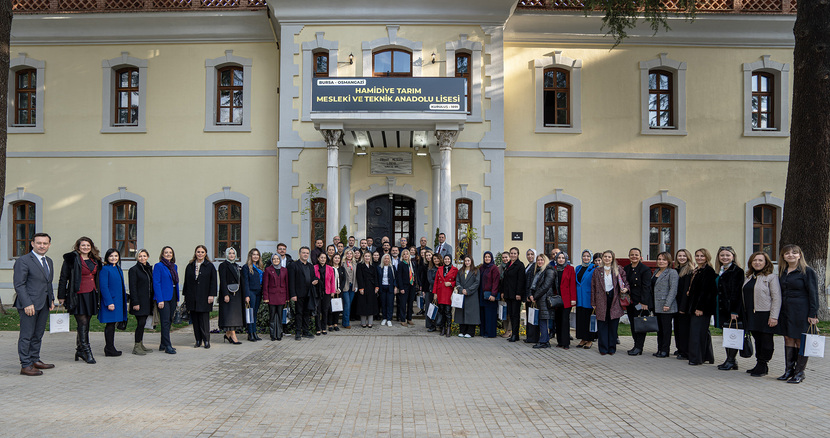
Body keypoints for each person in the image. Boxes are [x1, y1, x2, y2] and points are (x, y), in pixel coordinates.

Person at [776, 244, 819, 384]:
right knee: (788, 338)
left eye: (794, 253)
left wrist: (813, 314)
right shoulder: (783, 271)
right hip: (786, 310)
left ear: (800, 255)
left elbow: (814, 294)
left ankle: (800, 372)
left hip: (802, 310)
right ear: (783, 256)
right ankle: (789, 370)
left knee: (800, 340)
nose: (791, 255)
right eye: (787, 253)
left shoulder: (807, 271)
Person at [14, 232, 55, 376]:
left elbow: (48, 282)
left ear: (49, 245)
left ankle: (34, 359)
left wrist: (51, 299)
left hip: (43, 303)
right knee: (27, 335)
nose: (42, 246)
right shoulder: (24, 260)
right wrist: (27, 303)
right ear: (32, 244)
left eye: (45, 243)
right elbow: (19, 284)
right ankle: (25, 365)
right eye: (39, 243)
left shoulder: (48, 261)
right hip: (29, 305)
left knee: (38, 334)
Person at [59, 236, 103, 364]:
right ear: (78, 246)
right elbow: (63, 278)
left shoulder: (95, 260)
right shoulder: (71, 259)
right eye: (83, 245)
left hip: (91, 295)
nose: (85, 247)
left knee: (86, 323)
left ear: (91, 247)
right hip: (77, 295)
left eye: (88, 245)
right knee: (82, 323)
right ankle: (87, 351)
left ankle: (79, 349)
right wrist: (61, 296)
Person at [741, 251, 781, 377]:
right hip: (752, 314)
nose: (757, 263)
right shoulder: (749, 277)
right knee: (757, 339)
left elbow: (777, 298)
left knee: (766, 341)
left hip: (765, 314)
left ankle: (764, 364)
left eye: (760, 260)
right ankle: (759, 363)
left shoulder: (771, 277)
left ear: (766, 262)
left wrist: (773, 316)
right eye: (754, 260)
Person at [591, 250, 628, 355]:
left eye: (609, 257)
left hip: (614, 299)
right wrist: (593, 302)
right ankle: (603, 348)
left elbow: (625, 283)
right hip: (601, 299)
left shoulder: (618, 270)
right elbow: (593, 287)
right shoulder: (597, 271)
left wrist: (625, 289)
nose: (607, 258)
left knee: (613, 324)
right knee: (602, 324)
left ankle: (612, 348)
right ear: (602, 258)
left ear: (612, 259)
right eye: (605, 257)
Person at [182, 245, 217, 349]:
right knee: (195, 320)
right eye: (198, 252)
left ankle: (206, 340)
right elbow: (186, 282)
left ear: (205, 253)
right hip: (192, 297)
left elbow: (213, 282)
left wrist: (211, 295)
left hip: (205, 297)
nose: (200, 254)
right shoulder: (190, 266)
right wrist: (185, 296)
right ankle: (198, 340)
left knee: (204, 320)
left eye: (202, 252)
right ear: (195, 253)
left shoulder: (210, 266)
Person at [686, 249, 716, 366]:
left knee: (696, 333)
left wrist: (700, 308)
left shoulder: (708, 271)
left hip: (701, 307)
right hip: (694, 306)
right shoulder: (697, 270)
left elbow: (707, 292)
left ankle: (696, 358)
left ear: (706, 257)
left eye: (702, 256)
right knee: (703, 332)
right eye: (697, 256)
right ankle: (707, 356)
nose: (699, 258)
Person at [716, 246, 743, 371]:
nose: (724, 257)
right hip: (722, 308)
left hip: (731, 309)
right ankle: (731, 359)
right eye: (722, 255)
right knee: (727, 334)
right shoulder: (721, 269)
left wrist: (734, 311)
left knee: (732, 334)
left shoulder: (737, 271)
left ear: (733, 256)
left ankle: (731, 360)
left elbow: (736, 292)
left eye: (727, 255)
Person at [98, 248, 128, 357]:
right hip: (110, 301)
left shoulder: (118, 269)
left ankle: (110, 347)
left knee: (113, 324)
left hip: (118, 301)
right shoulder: (105, 269)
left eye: (115, 256)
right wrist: (109, 302)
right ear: (107, 257)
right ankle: (109, 348)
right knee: (110, 325)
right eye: (111, 256)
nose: (113, 258)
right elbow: (104, 287)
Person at [152, 245, 179, 354]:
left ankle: (163, 343)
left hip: (172, 295)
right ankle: (168, 345)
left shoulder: (174, 266)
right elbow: (156, 283)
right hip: (163, 296)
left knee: (169, 319)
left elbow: (175, 283)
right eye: (166, 252)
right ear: (162, 254)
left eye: (170, 253)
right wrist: (160, 299)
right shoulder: (158, 266)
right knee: (165, 321)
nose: (168, 254)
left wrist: (177, 297)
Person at [652, 252, 679, 358]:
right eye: (659, 259)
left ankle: (665, 350)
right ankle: (659, 349)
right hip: (656, 305)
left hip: (666, 306)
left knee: (666, 330)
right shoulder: (656, 271)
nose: (661, 261)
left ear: (668, 261)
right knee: (659, 329)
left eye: (664, 259)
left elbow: (673, 289)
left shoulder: (672, 272)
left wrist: (668, 304)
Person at [128, 249, 154, 355]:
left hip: (148, 301)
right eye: (140, 256)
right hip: (139, 302)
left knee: (143, 324)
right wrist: (135, 302)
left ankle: (141, 344)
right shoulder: (133, 270)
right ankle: (136, 346)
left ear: (147, 256)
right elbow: (132, 287)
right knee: (141, 323)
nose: (142, 258)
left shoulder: (149, 269)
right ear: (137, 258)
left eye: (144, 256)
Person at [218, 247, 245, 345]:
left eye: (233, 253)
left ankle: (228, 334)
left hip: (237, 294)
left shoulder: (237, 266)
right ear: (226, 254)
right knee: (229, 315)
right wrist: (225, 294)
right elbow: (223, 280)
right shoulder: (223, 265)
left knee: (234, 315)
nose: (232, 255)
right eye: (229, 253)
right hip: (228, 294)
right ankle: (233, 336)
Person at [673, 249, 695, 360]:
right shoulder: (677, 269)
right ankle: (680, 348)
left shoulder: (689, 271)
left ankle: (685, 351)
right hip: (676, 304)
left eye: (684, 256)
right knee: (677, 328)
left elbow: (687, 291)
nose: (681, 258)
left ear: (688, 257)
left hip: (683, 305)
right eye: (679, 256)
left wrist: (683, 307)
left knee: (683, 329)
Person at [528, 254, 554, 348]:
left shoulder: (549, 270)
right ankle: (544, 340)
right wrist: (530, 294)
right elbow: (533, 285)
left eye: (542, 260)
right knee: (541, 320)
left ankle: (544, 341)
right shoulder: (538, 272)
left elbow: (545, 286)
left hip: (544, 299)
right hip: (539, 299)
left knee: (543, 320)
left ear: (545, 261)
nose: (539, 262)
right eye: (538, 260)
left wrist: (535, 296)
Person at [552, 252, 576, 349]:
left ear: (566, 259)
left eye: (563, 258)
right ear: (556, 259)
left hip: (567, 299)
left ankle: (566, 342)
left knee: (565, 320)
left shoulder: (570, 269)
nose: (561, 259)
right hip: (556, 299)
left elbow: (572, 285)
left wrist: (573, 299)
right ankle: (560, 341)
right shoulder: (553, 269)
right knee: (557, 320)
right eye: (559, 258)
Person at [262, 253, 289, 340]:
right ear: (272, 260)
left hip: (282, 296)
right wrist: (265, 297)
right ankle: (273, 334)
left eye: (277, 259)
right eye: (274, 259)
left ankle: (279, 333)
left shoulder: (284, 270)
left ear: (280, 260)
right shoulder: (268, 270)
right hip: (272, 296)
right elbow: (265, 285)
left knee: (280, 316)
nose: (276, 260)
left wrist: (287, 297)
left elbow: (287, 284)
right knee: (272, 316)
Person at [574, 250, 596, 349]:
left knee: (588, 319)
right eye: (584, 256)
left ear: (591, 257)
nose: (586, 258)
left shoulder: (594, 268)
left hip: (588, 298)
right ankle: (582, 338)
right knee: (580, 319)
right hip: (579, 298)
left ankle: (590, 340)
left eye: (588, 256)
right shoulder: (578, 268)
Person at [454, 255, 481, 337]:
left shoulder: (476, 271)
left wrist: (468, 290)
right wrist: (461, 289)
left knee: (471, 313)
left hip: (471, 295)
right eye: (465, 261)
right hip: (462, 294)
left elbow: (477, 283)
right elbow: (457, 282)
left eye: (468, 260)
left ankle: (470, 332)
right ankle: (462, 331)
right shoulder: (461, 271)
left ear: (471, 261)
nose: (467, 262)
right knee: (461, 312)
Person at [242, 248, 264, 342]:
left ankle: (254, 333)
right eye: (254, 254)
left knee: (255, 313)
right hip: (251, 292)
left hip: (258, 292)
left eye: (257, 255)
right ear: (250, 256)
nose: (256, 256)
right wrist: (247, 295)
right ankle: (250, 333)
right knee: (250, 313)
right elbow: (245, 282)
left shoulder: (260, 267)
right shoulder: (246, 267)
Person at [433, 254, 458, 337]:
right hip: (440, 292)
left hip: (448, 293)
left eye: (448, 259)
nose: (447, 260)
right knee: (441, 311)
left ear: (450, 260)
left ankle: (448, 328)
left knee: (448, 312)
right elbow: (436, 281)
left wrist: (451, 283)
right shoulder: (440, 269)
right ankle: (442, 327)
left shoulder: (455, 269)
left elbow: (457, 281)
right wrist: (435, 293)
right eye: (445, 259)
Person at [478, 251, 500, 339]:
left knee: (490, 315)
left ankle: (490, 333)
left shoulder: (494, 268)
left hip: (490, 295)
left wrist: (493, 294)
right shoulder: (482, 268)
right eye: (485, 257)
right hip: (482, 295)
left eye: (488, 257)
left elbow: (496, 282)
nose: (487, 258)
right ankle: (483, 332)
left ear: (491, 258)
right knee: (483, 314)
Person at [312, 252, 335, 335]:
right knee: (317, 311)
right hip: (317, 292)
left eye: (324, 258)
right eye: (321, 257)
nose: (323, 259)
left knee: (325, 310)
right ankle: (318, 328)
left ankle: (323, 328)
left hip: (327, 292)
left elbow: (332, 281)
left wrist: (333, 291)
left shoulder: (330, 268)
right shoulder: (314, 267)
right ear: (318, 258)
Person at [355, 250, 379, 328]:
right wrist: (361, 288)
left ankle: (370, 322)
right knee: (363, 305)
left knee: (371, 304)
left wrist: (376, 286)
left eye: (368, 256)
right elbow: (359, 277)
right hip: (363, 287)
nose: (367, 257)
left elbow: (376, 277)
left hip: (371, 287)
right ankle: (363, 322)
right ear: (363, 257)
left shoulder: (373, 266)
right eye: (366, 256)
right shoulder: (360, 265)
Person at [523, 249, 540, 345]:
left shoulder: (535, 266)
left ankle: (533, 337)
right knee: (529, 316)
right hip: (528, 295)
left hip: (532, 295)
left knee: (533, 316)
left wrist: (530, 294)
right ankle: (529, 336)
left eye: (532, 254)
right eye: (528, 254)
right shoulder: (529, 265)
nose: (530, 256)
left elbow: (532, 282)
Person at [397, 249, 417, 326]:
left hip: (412, 285)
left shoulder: (412, 264)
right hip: (404, 286)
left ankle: (409, 318)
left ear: (409, 255)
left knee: (410, 303)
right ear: (402, 256)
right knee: (403, 303)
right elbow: (399, 277)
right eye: (404, 254)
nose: (406, 255)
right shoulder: (401, 264)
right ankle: (402, 319)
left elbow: (414, 274)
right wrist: (401, 288)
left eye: (407, 254)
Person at [377, 254, 397, 326]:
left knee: (390, 303)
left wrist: (395, 287)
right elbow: (377, 278)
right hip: (382, 287)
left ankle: (389, 319)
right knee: (383, 303)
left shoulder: (392, 267)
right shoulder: (379, 267)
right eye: (385, 258)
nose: (386, 260)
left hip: (390, 287)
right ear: (383, 259)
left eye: (388, 259)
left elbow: (395, 278)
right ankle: (384, 318)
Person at [340, 250, 357, 329]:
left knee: (349, 305)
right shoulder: (342, 263)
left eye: (351, 254)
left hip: (352, 286)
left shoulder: (354, 264)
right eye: (348, 253)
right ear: (345, 255)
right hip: (345, 287)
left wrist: (356, 286)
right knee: (347, 304)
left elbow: (356, 276)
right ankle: (346, 323)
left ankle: (344, 321)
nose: (349, 255)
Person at [424, 252, 440, 331]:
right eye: (434, 259)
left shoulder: (443, 268)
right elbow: (430, 280)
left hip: (441, 291)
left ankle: (438, 324)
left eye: (437, 258)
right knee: (430, 308)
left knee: (439, 309)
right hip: (431, 290)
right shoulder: (431, 269)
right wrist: (440, 283)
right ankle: (431, 325)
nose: (436, 260)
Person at [498, 251, 512, 338]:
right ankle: (506, 330)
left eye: (506, 257)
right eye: (503, 257)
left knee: (510, 313)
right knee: (504, 312)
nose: (505, 259)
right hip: (502, 293)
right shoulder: (499, 268)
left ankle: (509, 330)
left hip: (510, 293)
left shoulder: (511, 266)